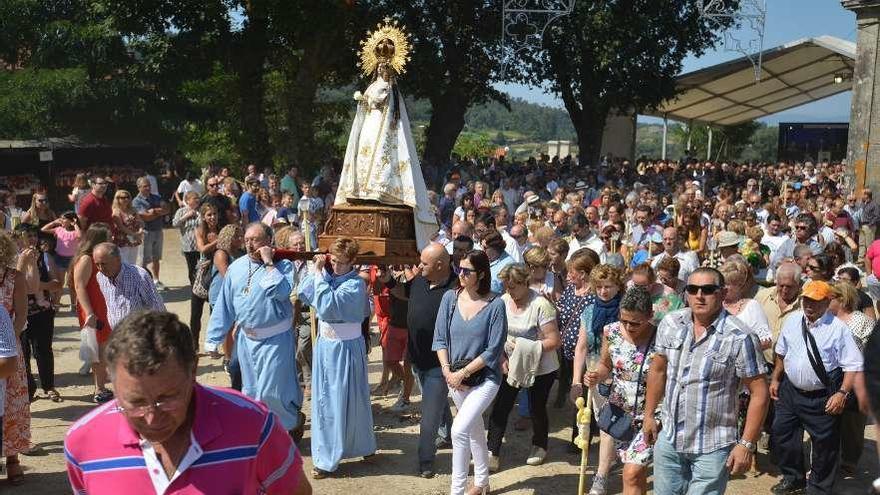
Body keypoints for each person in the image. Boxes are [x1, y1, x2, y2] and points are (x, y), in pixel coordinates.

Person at [64, 310, 312, 494]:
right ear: (111, 382)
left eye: (167, 398)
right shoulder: (82, 443)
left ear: (193, 371)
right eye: (136, 402)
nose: (151, 417)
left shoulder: (253, 424)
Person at [643, 267, 769, 495]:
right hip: (670, 438)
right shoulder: (670, 323)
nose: (699, 295)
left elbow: (759, 393)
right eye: (693, 289)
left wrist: (746, 444)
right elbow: (658, 370)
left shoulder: (740, 336)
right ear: (686, 293)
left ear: (722, 293)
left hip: (712, 445)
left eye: (708, 290)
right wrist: (649, 414)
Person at [337, 25, 438, 249]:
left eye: (385, 67)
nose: (382, 70)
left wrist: (369, 99)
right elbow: (369, 100)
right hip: (370, 125)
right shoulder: (373, 84)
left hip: (383, 127)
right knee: (363, 154)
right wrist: (363, 100)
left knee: (380, 155)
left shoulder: (390, 88)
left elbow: (385, 103)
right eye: (379, 66)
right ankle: (362, 190)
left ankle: (379, 189)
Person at [205, 223, 305, 441]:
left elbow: (280, 292)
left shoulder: (283, 266)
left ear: (268, 242)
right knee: (251, 391)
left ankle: (286, 431)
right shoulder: (236, 267)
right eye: (247, 240)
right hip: (246, 341)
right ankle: (262, 434)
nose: (250, 245)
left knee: (273, 391)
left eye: (256, 240)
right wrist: (213, 338)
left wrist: (269, 262)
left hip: (275, 339)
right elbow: (225, 305)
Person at [770, 280, 864, 494]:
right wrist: (776, 378)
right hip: (790, 392)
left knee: (824, 446)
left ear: (827, 301)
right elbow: (782, 353)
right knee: (782, 434)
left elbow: (853, 365)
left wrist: (842, 393)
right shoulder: (793, 321)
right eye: (806, 300)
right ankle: (794, 478)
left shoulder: (839, 329)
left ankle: (819, 488)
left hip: (822, 397)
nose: (809, 305)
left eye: (816, 301)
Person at [297, 237, 376, 478]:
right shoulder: (330, 277)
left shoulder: (356, 284)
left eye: (342, 263)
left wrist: (320, 275)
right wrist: (315, 270)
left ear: (353, 262)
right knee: (326, 400)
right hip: (327, 347)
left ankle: (358, 445)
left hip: (347, 348)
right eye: (333, 261)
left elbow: (328, 305)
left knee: (349, 399)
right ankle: (326, 456)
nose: (337, 267)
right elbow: (304, 292)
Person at [432, 250, 507, 495]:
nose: (461, 274)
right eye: (459, 269)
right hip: (455, 378)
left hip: (485, 378)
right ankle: (482, 482)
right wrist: (448, 372)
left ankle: (457, 491)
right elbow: (440, 339)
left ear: (482, 274)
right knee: (474, 430)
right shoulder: (449, 299)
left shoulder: (496, 304)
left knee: (459, 430)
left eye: (467, 271)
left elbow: (493, 350)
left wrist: (462, 373)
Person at [387, 242, 457, 478]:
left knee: (429, 415)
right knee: (435, 403)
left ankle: (426, 459)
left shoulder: (456, 288)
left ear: (440, 265)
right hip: (417, 360)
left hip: (440, 364)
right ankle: (446, 434)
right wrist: (388, 281)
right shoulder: (420, 279)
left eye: (424, 263)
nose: (419, 266)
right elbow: (403, 292)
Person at [583, 286, 658, 495]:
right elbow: (605, 364)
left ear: (650, 316)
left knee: (631, 472)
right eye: (624, 320)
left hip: (651, 413)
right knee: (637, 474)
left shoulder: (661, 337)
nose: (628, 326)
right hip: (620, 415)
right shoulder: (612, 331)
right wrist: (596, 375)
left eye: (635, 322)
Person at [487, 264, 560, 469]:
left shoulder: (541, 305)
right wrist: (502, 358)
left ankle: (539, 445)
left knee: (537, 407)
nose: (509, 291)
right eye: (506, 287)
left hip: (541, 367)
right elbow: (496, 335)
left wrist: (523, 347)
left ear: (525, 283)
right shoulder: (502, 301)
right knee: (501, 406)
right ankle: (492, 450)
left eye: (513, 287)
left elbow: (554, 340)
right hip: (509, 364)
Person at [571, 264, 623, 494]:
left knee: (611, 426)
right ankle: (605, 468)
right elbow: (581, 347)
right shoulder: (589, 311)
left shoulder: (625, 310)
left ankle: (602, 474)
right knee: (604, 423)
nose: (603, 291)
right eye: (599, 287)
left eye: (608, 286)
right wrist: (576, 380)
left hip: (621, 374)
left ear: (618, 286)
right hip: (594, 374)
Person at [828, 281, 874, 476]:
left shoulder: (861, 320)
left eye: (829, 298)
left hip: (857, 378)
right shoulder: (827, 320)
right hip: (832, 377)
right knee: (830, 421)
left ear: (841, 299)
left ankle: (849, 460)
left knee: (853, 423)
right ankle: (828, 460)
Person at [15, 224, 62, 402]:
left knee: (43, 351)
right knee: (23, 353)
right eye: (27, 236)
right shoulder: (13, 258)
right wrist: (31, 285)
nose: (32, 239)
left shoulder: (45, 257)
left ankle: (49, 387)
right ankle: (29, 389)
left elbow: (57, 283)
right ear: (18, 238)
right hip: (20, 314)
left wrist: (35, 286)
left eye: (34, 235)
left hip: (42, 312)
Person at [73, 224, 115, 404]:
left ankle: (103, 386)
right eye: (108, 237)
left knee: (103, 348)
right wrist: (89, 312)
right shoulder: (86, 259)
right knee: (96, 349)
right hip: (93, 309)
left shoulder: (97, 258)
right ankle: (100, 388)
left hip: (102, 307)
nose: (111, 239)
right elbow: (79, 286)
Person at [0, 232, 29, 486]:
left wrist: (8, 339)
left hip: (8, 349)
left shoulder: (14, 277)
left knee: (12, 404)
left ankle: (12, 458)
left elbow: (21, 316)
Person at [94, 242, 166, 330]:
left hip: (139, 335)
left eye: (104, 264)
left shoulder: (139, 276)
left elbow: (157, 308)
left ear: (117, 259)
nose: (101, 269)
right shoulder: (100, 277)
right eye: (97, 264)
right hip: (117, 335)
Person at [556, 252, 595, 409]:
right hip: (566, 349)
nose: (568, 275)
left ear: (583, 274)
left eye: (571, 271)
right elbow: (562, 309)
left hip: (584, 354)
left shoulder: (593, 296)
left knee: (581, 394)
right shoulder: (570, 289)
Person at [132, 177, 170, 291]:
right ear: (139, 187)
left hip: (158, 230)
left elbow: (167, 209)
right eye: (145, 186)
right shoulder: (136, 201)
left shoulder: (156, 197)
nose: (148, 188)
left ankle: (156, 280)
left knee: (156, 257)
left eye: (149, 185)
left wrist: (154, 211)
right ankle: (142, 283)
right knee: (143, 259)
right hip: (146, 232)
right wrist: (158, 212)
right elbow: (145, 217)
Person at [111, 189, 144, 265]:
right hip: (122, 241)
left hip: (135, 240)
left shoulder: (133, 209)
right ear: (117, 199)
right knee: (124, 263)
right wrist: (134, 234)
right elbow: (121, 227)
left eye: (128, 197)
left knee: (133, 263)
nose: (126, 199)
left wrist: (140, 230)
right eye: (123, 197)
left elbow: (140, 222)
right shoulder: (116, 212)